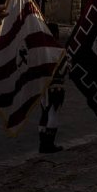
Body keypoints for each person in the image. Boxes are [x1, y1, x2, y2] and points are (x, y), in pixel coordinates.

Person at [38, 22, 66, 153]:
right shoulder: (59, 49)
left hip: (43, 87)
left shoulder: (42, 50)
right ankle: (48, 143)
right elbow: (66, 68)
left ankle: (43, 142)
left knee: (45, 113)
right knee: (53, 114)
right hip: (56, 87)